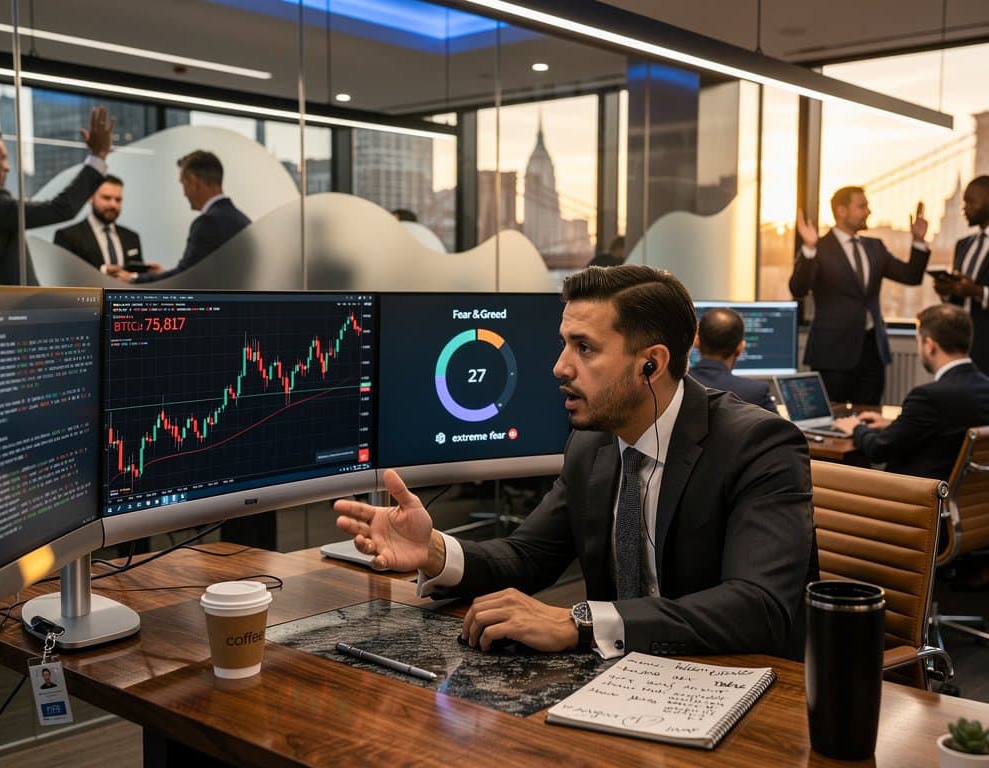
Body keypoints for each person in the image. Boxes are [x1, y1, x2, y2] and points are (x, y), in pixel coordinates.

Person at [335, 265, 816, 660]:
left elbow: (758, 606)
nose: (560, 367)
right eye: (565, 344)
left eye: (583, 348)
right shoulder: (593, 446)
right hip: (621, 682)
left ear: (651, 363)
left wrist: (579, 620)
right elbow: (530, 556)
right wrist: (436, 550)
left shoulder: (759, 445)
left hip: (743, 686)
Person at [790, 187, 930, 404]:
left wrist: (918, 241)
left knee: (869, 421)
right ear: (841, 210)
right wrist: (809, 248)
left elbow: (911, 276)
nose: (868, 211)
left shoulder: (875, 247)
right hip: (832, 354)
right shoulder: (819, 247)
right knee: (831, 423)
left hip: (873, 353)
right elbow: (798, 289)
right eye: (862, 206)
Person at [833, 303, 989, 481]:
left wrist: (855, 427)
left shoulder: (928, 397)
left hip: (916, 499)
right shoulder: (984, 387)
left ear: (929, 345)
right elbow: (947, 427)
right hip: (962, 501)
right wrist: (894, 424)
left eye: (918, 341)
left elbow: (878, 450)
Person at [0, 107, 114, 285]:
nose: (7, 167)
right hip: (5, 308)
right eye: (3, 158)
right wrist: (98, 156)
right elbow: (60, 208)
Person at [104, 150, 248, 283]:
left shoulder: (208, 222)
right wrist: (162, 274)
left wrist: (133, 277)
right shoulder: (241, 219)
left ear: (194, 182)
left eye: (183, 184)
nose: (184, 193)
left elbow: (186, 276)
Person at [934, 175, 989, 372]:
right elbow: (957, 297)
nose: (964, 208)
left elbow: (973, 291)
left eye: (970, 201)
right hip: (958, 350)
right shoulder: (963, 245)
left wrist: (976, 291)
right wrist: (947, 290)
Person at [689, 307, 777, 413]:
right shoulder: (756, 392)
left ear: (696, 342)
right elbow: (781, 429)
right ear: (740, 348)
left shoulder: (678, 384)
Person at [53, 174, 144, 270]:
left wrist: (153, 275)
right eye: (106, 198)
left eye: (118, 200)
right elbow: (63, 277)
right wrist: (103, 273)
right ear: (90, 198)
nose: (113, 205)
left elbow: (138, 278)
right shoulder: (67, 237)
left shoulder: (132, 237)